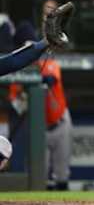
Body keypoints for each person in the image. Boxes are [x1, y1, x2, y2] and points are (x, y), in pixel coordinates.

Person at [8, 57, 73, 190]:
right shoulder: (16, 78)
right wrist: (24, 91)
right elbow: (18, 107)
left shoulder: (49, 64)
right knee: (38, 173)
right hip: (39, 129)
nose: (30, 59)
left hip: (61, 122)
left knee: (62, 173)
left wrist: (34, 80)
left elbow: (51, 80)